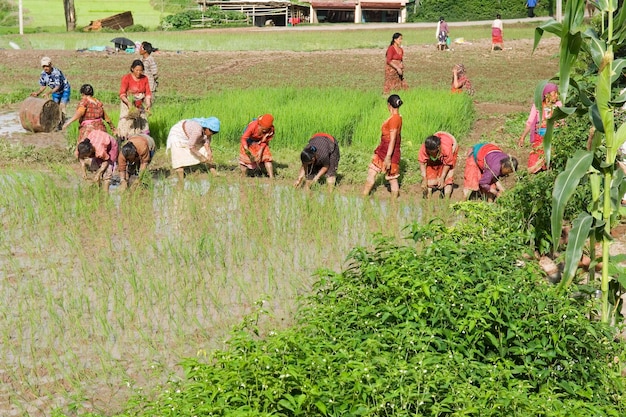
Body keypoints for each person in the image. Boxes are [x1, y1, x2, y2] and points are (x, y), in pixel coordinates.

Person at [362, 94, 403, 199]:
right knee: (372, 172)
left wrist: (388, 157)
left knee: (392, 178)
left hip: (389, 151)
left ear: (389, 105)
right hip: (384, 149)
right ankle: (364, 196)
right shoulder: (398, 117)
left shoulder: (394, 119)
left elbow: (393, 139)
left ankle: (393, 204)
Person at [518, 83, 562, 174]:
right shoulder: (537, 106)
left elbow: (562, 121)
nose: (556, 96)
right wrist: (522, 137)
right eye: (554, 94)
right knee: (535, 159)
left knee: (551, 159)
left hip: (553, 138)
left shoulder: (558, 105)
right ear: (546, 95)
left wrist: (556, 124)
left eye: (557, 93)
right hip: (539, 137)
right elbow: (530, 122)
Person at [166, 117, 220, 182]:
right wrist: (201, 157)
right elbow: (191, 146)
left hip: (190, 135)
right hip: (178, 134)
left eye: (214, 132)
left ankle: (213, 171)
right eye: (212, 131)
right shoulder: (197, 131)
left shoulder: (207, 131)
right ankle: (181, 180)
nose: (212, 133)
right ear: (207, 128)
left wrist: (209, 153)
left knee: (205, 151)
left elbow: (207, 143)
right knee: (178, 155)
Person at [31, 56, 71, 128]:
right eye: (44, 66)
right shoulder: (43, 74)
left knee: (62, 106)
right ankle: (57, 122)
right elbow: (43, 86)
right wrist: (38, 93)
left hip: (64, 89)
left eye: (47, 66)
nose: (45, 68)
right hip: (55, 91)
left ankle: (63, 123)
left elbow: (57, 86)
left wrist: (48, 93)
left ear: (50, 65)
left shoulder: (56, 73)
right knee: (55, 107)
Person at [118, 59, 152, 140]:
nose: (139, 72)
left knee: (142, 123)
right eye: (137, 70)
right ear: (132, 69)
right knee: (128, 123)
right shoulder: (127, 78)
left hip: (139, 105)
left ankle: (141, 140)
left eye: (141, 70)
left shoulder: (145, 78)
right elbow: (122, 94)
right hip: (128, 104)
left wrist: (148, 104)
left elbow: (147, 94)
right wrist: (129, 103)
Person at [418, 131, 458, 199]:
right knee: (430, 176)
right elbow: (422, 163)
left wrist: (442, 177)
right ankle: (428, 198)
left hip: (451, 149)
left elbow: (447, 164)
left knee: (447, 179)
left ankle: (446, 199)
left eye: (433, 152)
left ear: (438, 148)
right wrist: (424, 178)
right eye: (429, 152)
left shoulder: (446, 149)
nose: (431, 154)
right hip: (438, 153)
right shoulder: (424, 148)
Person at [239, 114, 275, 178]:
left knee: (267, 158)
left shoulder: (271, 130)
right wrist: (247, 151)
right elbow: (243, 138)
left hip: (260, 142)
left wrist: (260, 151)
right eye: (263, 129)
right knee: (245, 159)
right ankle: (243, 176)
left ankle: (271, 177)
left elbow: (265, 141)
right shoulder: (252, 126)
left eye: (266, 129)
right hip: (248, 142)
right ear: (259, 125)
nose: (265, 131)